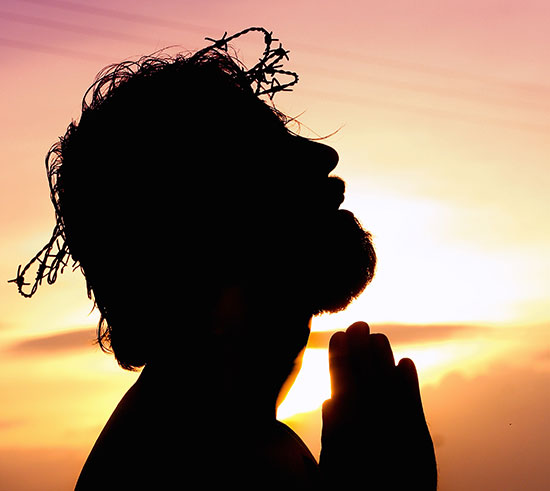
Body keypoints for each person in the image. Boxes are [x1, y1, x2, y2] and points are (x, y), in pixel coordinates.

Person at [12, 28, 437, 489]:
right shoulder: (184, 467)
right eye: (265, 153)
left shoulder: (221, 442)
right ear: (196, 229)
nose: (322, 155)